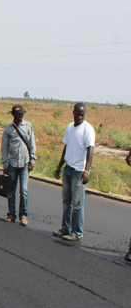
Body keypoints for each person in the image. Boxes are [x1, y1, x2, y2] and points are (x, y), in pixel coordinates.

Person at [53, 103, 95, 241]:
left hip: (78, 171)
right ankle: (65, 228)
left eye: (82, 114)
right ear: (73, 113)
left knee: (77, 205)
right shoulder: (70, 127)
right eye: (78, 114)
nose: (80, 117)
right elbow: (66, 147)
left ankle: (77, 232)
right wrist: (60, 166)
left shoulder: (88, 129)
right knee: (66, 201)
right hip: (68, 169)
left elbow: (90, 150)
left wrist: (87, 170)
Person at [1, 104, 36, 225]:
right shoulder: (8, 129)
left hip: (25, 163)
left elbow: (32, 144)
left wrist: (32, 159)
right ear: (13, 115)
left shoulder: (28, 126)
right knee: (11, 190)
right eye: (18, 114)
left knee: (24, 190)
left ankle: (23, 215)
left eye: (22, 114)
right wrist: (4, 164)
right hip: (12, 164)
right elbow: (4, 148)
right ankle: (11, 214)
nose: (20, 116)